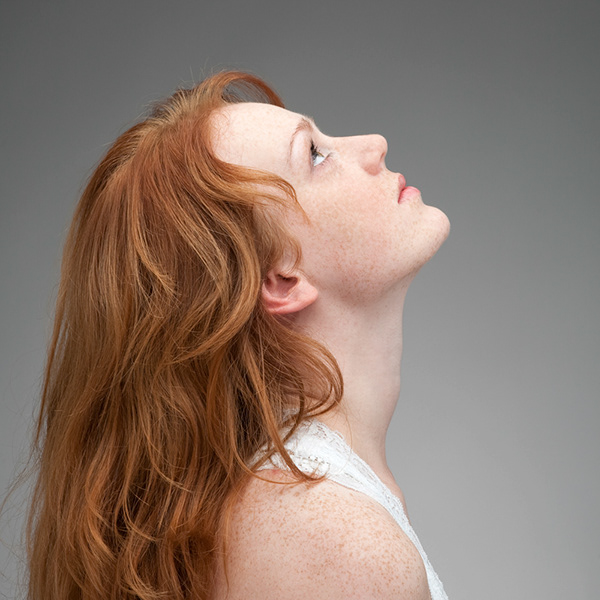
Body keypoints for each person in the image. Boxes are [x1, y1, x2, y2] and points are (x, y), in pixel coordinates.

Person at [26, 71, 450, 600]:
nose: (374, 146)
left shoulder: (315, 510)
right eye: (315, 153)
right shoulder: (334, 538)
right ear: (280, 278)